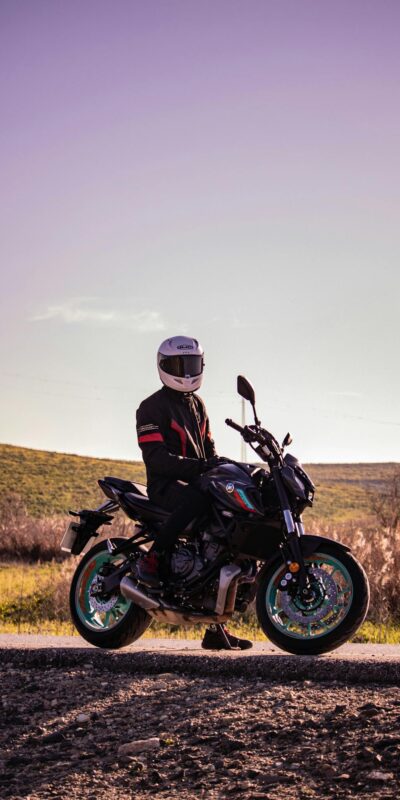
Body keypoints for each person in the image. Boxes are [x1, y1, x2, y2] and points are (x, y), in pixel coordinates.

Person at [135, 335, 252, 651]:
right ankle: (154, 557)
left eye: (192, 365)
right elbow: (156, 458)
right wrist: (202, 468)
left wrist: (220, 466)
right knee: (197, 498)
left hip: (198, 482)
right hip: (165, 487)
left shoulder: (198, 405)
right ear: (163, 366)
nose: (186, 372)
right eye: (179, 365)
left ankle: (215, 629)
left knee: (231, 528)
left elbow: (208, 447)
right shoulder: (151, 407)